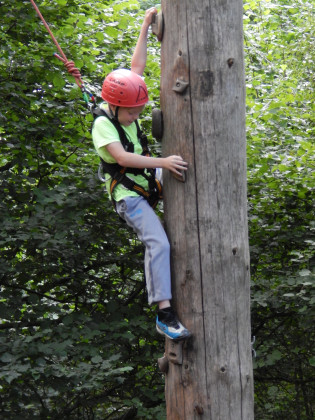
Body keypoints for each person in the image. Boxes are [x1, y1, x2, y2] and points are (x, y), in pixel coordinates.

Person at [92, 8, 191, 341]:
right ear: (115, 105)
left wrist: (146, 26)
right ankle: (164, 313)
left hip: (148, 181)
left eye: (139, 108)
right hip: (129, 196)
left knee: (191, 169)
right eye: (132, 110)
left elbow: (136, 69)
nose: (137, 115)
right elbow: (122, 158)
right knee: (158, 243)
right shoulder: (103, 126)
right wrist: (163, 163)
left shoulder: (124, 104)